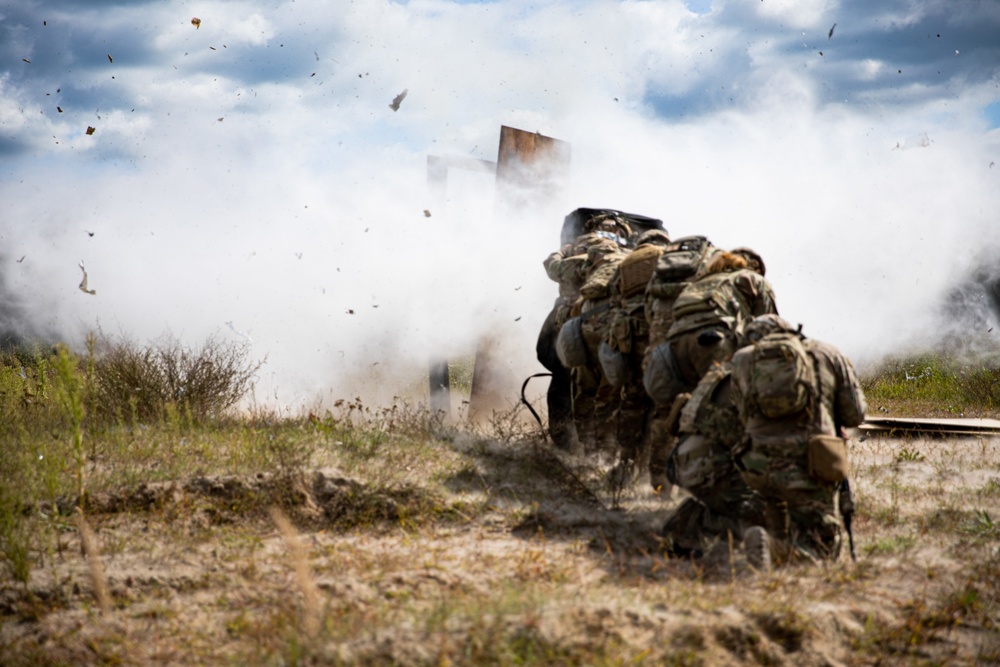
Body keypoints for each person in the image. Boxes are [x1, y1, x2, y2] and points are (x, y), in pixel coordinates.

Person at [730, 314, 867, 568]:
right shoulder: (828, 353)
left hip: (756, 465)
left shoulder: (741, 360)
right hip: (812, 463)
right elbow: (855, 415)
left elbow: (737, 416)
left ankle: (769, 535)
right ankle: (776, 548)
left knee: (769, 502)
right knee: (822, 546)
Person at [645, 250, 777, 493]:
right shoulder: (751, 279)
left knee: (669, 410)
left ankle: (660, 484)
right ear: (753, 267)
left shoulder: (699, 283)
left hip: (675, 348)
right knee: (720, 409)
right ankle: (716, 481)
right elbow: (768, 328)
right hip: (713, 344)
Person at [543, 212, 632, 452]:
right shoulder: (629, 258)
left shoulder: (580, 255)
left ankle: (573, 445)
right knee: (614, 389)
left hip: (575, 331)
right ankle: (608, 450)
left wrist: (562, 251)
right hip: (619, 331)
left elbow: (552, 267)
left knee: (569, 384)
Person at [659, 361, 766, 557]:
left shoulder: (721, 373)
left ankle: (696, 515)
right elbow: (743, 441)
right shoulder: (746, 383)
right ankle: (697, 519)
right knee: (767, 510)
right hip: (703, 467)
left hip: (683, 464)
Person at [600, 228, 672, 487]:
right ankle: (658, 471)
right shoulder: (672, 257)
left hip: (631, 337)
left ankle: (627, 460)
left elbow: (611, 296)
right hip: (661, 336)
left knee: (632, 399)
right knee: (663, 403)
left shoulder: (627, 261)